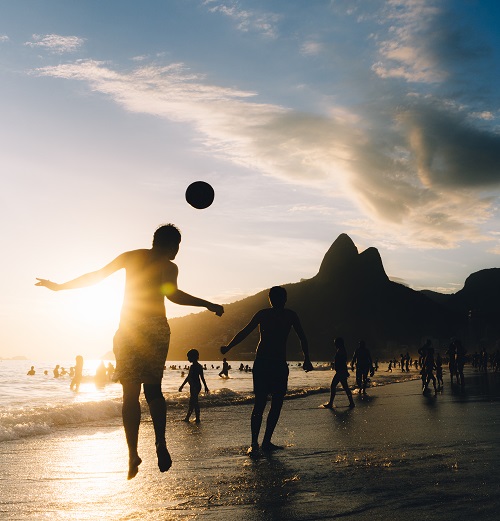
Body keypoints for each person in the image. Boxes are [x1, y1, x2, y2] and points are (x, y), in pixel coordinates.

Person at [36, 223, 224, 479]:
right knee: (154, 390)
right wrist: (208, 304)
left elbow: (97, 275)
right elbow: (174, 296)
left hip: (129, 329)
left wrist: (59, 287)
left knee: (130, 393)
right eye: (177, 246)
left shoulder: (132, 256)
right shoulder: (169, 267)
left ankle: (132, 453)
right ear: (170, 244)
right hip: (156, 327)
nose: (178, 251)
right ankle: (160, 442)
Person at [220, 286, 312, 456]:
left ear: (271, 299)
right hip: (274, 364)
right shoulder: (287, 315)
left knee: (262, 404)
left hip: (265, 363)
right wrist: (306, 358)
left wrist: (228, 347)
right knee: (273, 404)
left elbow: (244, 332)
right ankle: (262, 442)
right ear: (284, 299)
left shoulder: (266, 314)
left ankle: (257, 443)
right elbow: (302, 337)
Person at [323, 337, 355, 409]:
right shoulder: (341, 350)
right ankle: (351, 402)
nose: (335, 345)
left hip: (341, 372)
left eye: (335, 343)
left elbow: (343, 362)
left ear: (339, 343)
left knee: (333, 386)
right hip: (341, 371)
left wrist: (345, 371)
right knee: (345, 387)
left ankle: (331, 403)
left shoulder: (341, 351)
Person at [178, 349, 209, 423]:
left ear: (194, 357)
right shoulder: (198, 366)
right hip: (195, 386)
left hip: (195, 386)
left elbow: (199, 377)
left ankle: (193, 418)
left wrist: (182, 386)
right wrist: (205, 386)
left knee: (193, 402)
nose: (188, 359)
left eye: (189, 357)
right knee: (193, 402)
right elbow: (199, 378)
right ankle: (191, 418)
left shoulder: (195, 367)